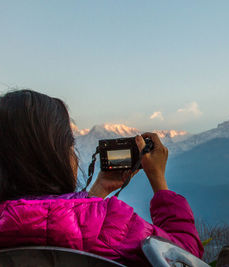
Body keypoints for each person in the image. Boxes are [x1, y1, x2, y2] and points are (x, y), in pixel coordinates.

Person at [0, 90, 204, 266]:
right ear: (55, 157)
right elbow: (186, 258)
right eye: (70, 146)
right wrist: (159, 181)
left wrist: (96, 192)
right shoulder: (111, 222)